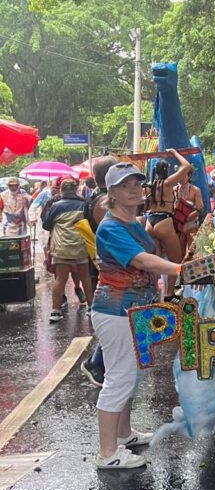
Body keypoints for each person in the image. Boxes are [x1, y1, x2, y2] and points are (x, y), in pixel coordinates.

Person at [92, 162, 184, 469]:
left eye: (136, 183)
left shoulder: (134, 221)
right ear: (111, 192)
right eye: (124, 185)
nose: (132, 189)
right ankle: (108, 454)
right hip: (117, 311)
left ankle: (124, 434)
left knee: (132, 375)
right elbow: (142, 261)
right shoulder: (110, 227)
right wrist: (181, 269)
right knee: (119, 378)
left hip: (138, 310)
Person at [81, 156, 119, 387]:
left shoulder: (97, 197)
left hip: (103, 265)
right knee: (114, 319)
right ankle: (96, 362)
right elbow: (113, 235)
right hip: (108, 268)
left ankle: (99, 361)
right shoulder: (104, 202)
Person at [41, 177, 93, 323]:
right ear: (75, 190)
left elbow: (46, 225)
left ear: (61, 191)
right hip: (80, 246)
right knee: (85, 277)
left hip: (61, 248)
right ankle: (91, 308)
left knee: (61, 278)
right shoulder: (84, 205)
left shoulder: (55, 206)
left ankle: (55, 311)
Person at [144, 149, 191, 297]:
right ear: (166, 170)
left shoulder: (149, 187)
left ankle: (153, 293)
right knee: (175, 260)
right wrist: (174, 153)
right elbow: (186, 166)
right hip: (164, 221)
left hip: (149, 223)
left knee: (155, 260)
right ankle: (169, 293)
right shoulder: (168, 183)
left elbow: (144, 206)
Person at [174, 163, 205, 257]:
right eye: (179, 175)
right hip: (177, 225)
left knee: (192, 253)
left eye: (183, 175)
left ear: (189, 176)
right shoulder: (174, 190)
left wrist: (188, 217)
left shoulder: (195, 190)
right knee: (180, 254)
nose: (181, 178)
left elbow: (200, 209)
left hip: (191, 224)